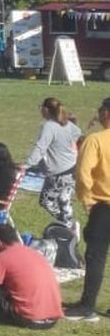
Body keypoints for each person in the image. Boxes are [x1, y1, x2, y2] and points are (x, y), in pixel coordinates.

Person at [69, 94, 110, 322]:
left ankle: (87, 305)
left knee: (96, 256)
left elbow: (83, 173)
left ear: (106, 113)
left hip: (104, 205)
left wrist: (87, 199)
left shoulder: (95, 140)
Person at [22, 96, 81, 228]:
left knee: (46, 201)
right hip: (71, 169)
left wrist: (27, 164)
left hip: (58, 172)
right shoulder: (68, 125)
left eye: (41, 108)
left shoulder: (49, 126)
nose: (40, 111)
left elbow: (40, 147)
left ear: (46, 110)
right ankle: (68, 225)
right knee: (64, 200)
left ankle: (67, 224)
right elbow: (78, 133)